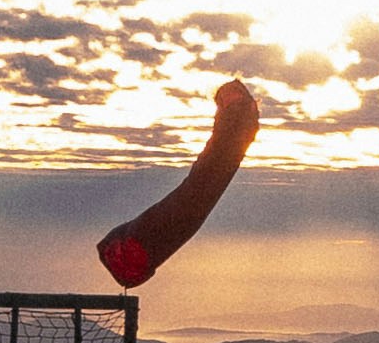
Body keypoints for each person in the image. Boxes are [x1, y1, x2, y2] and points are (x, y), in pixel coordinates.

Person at [94, 76, 261, 287]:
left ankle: (129, 252)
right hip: (210, 169)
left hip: (212, 167)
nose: (222, 104)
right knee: (189, 201)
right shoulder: (235, 129)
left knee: (191, 199)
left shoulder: (236, 126)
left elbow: (226, 142)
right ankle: (129, 252)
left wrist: (238, 111)